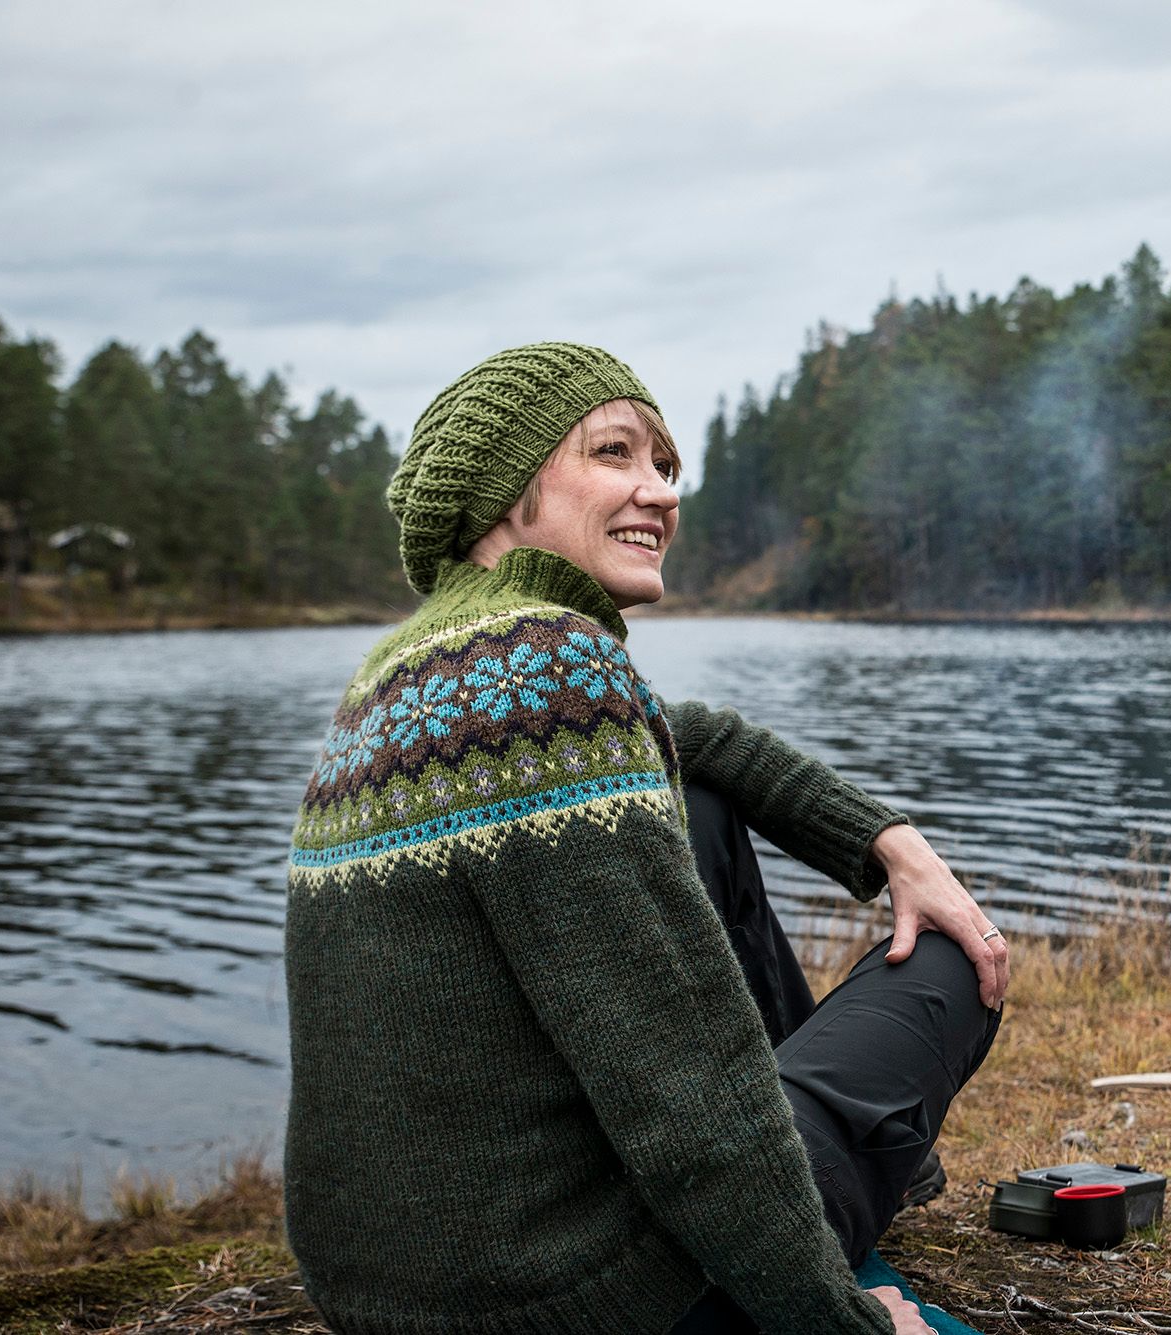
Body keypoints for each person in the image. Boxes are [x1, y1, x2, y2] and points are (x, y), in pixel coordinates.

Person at [284, 342, 1006, 1334]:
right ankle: (834, 1212)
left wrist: (888, 842)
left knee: (699, 805)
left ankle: (847, 1192)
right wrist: (842, 1322)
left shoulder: (413, 669)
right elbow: (684, 1089)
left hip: (402, 1293)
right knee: (949, 969)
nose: (658, 492)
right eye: (614, 453)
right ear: (506, 493)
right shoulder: (557, 675)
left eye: (663, 465)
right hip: (580, 1301)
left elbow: (688, 734)